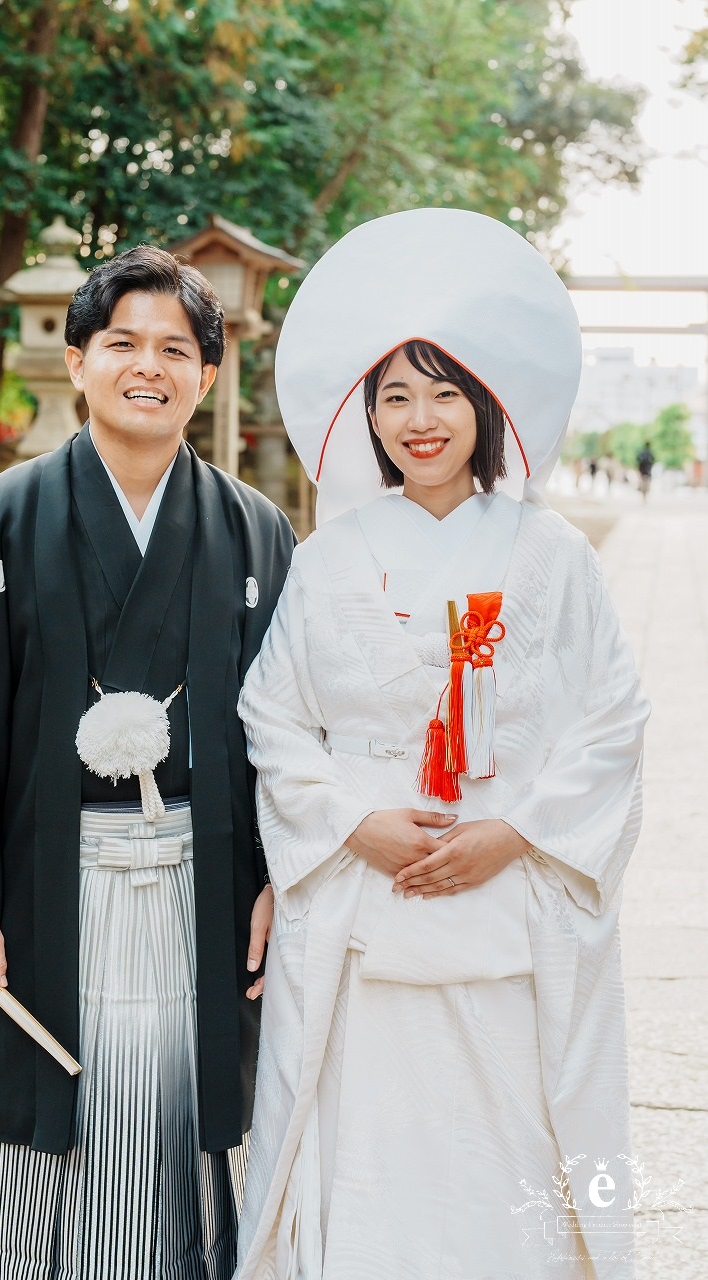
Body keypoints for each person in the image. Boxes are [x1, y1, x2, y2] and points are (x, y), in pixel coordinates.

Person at [0, 245, 296, 1279]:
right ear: (77, 359)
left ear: (209, 372)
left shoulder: (253, 532)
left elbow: (298, 726)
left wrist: (286, 871)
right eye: (123, 343)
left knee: (176, 1127)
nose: (149, 366)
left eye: (175, 349)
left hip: (207, 883)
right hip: (42, 881)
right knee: (32, 1135)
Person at [235, 210, 649, 1279]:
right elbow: (271, 714)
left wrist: (515, 829)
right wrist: (348, 821)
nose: (420, 419)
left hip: (505, 905)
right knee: (363, 1153)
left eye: (444, 391)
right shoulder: (331, 557)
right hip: (364, 906)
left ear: (485, 407)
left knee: (506, 1144)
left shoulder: (548, 553)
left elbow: (612, 716)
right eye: (394, 395)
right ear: (367, 416)